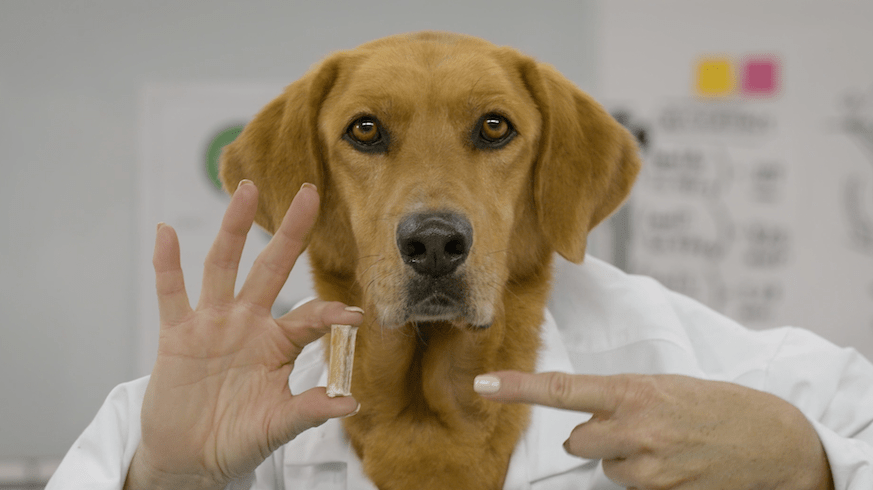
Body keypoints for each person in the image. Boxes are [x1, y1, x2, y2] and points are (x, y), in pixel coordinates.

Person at [47, 181, 873, 490]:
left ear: (555, 175)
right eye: (370, 137)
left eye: (492, 132)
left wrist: (810, 465)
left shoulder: (709, 364)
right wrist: (166, 480)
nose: (433, 215)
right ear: (318, 188)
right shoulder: (215, 409)